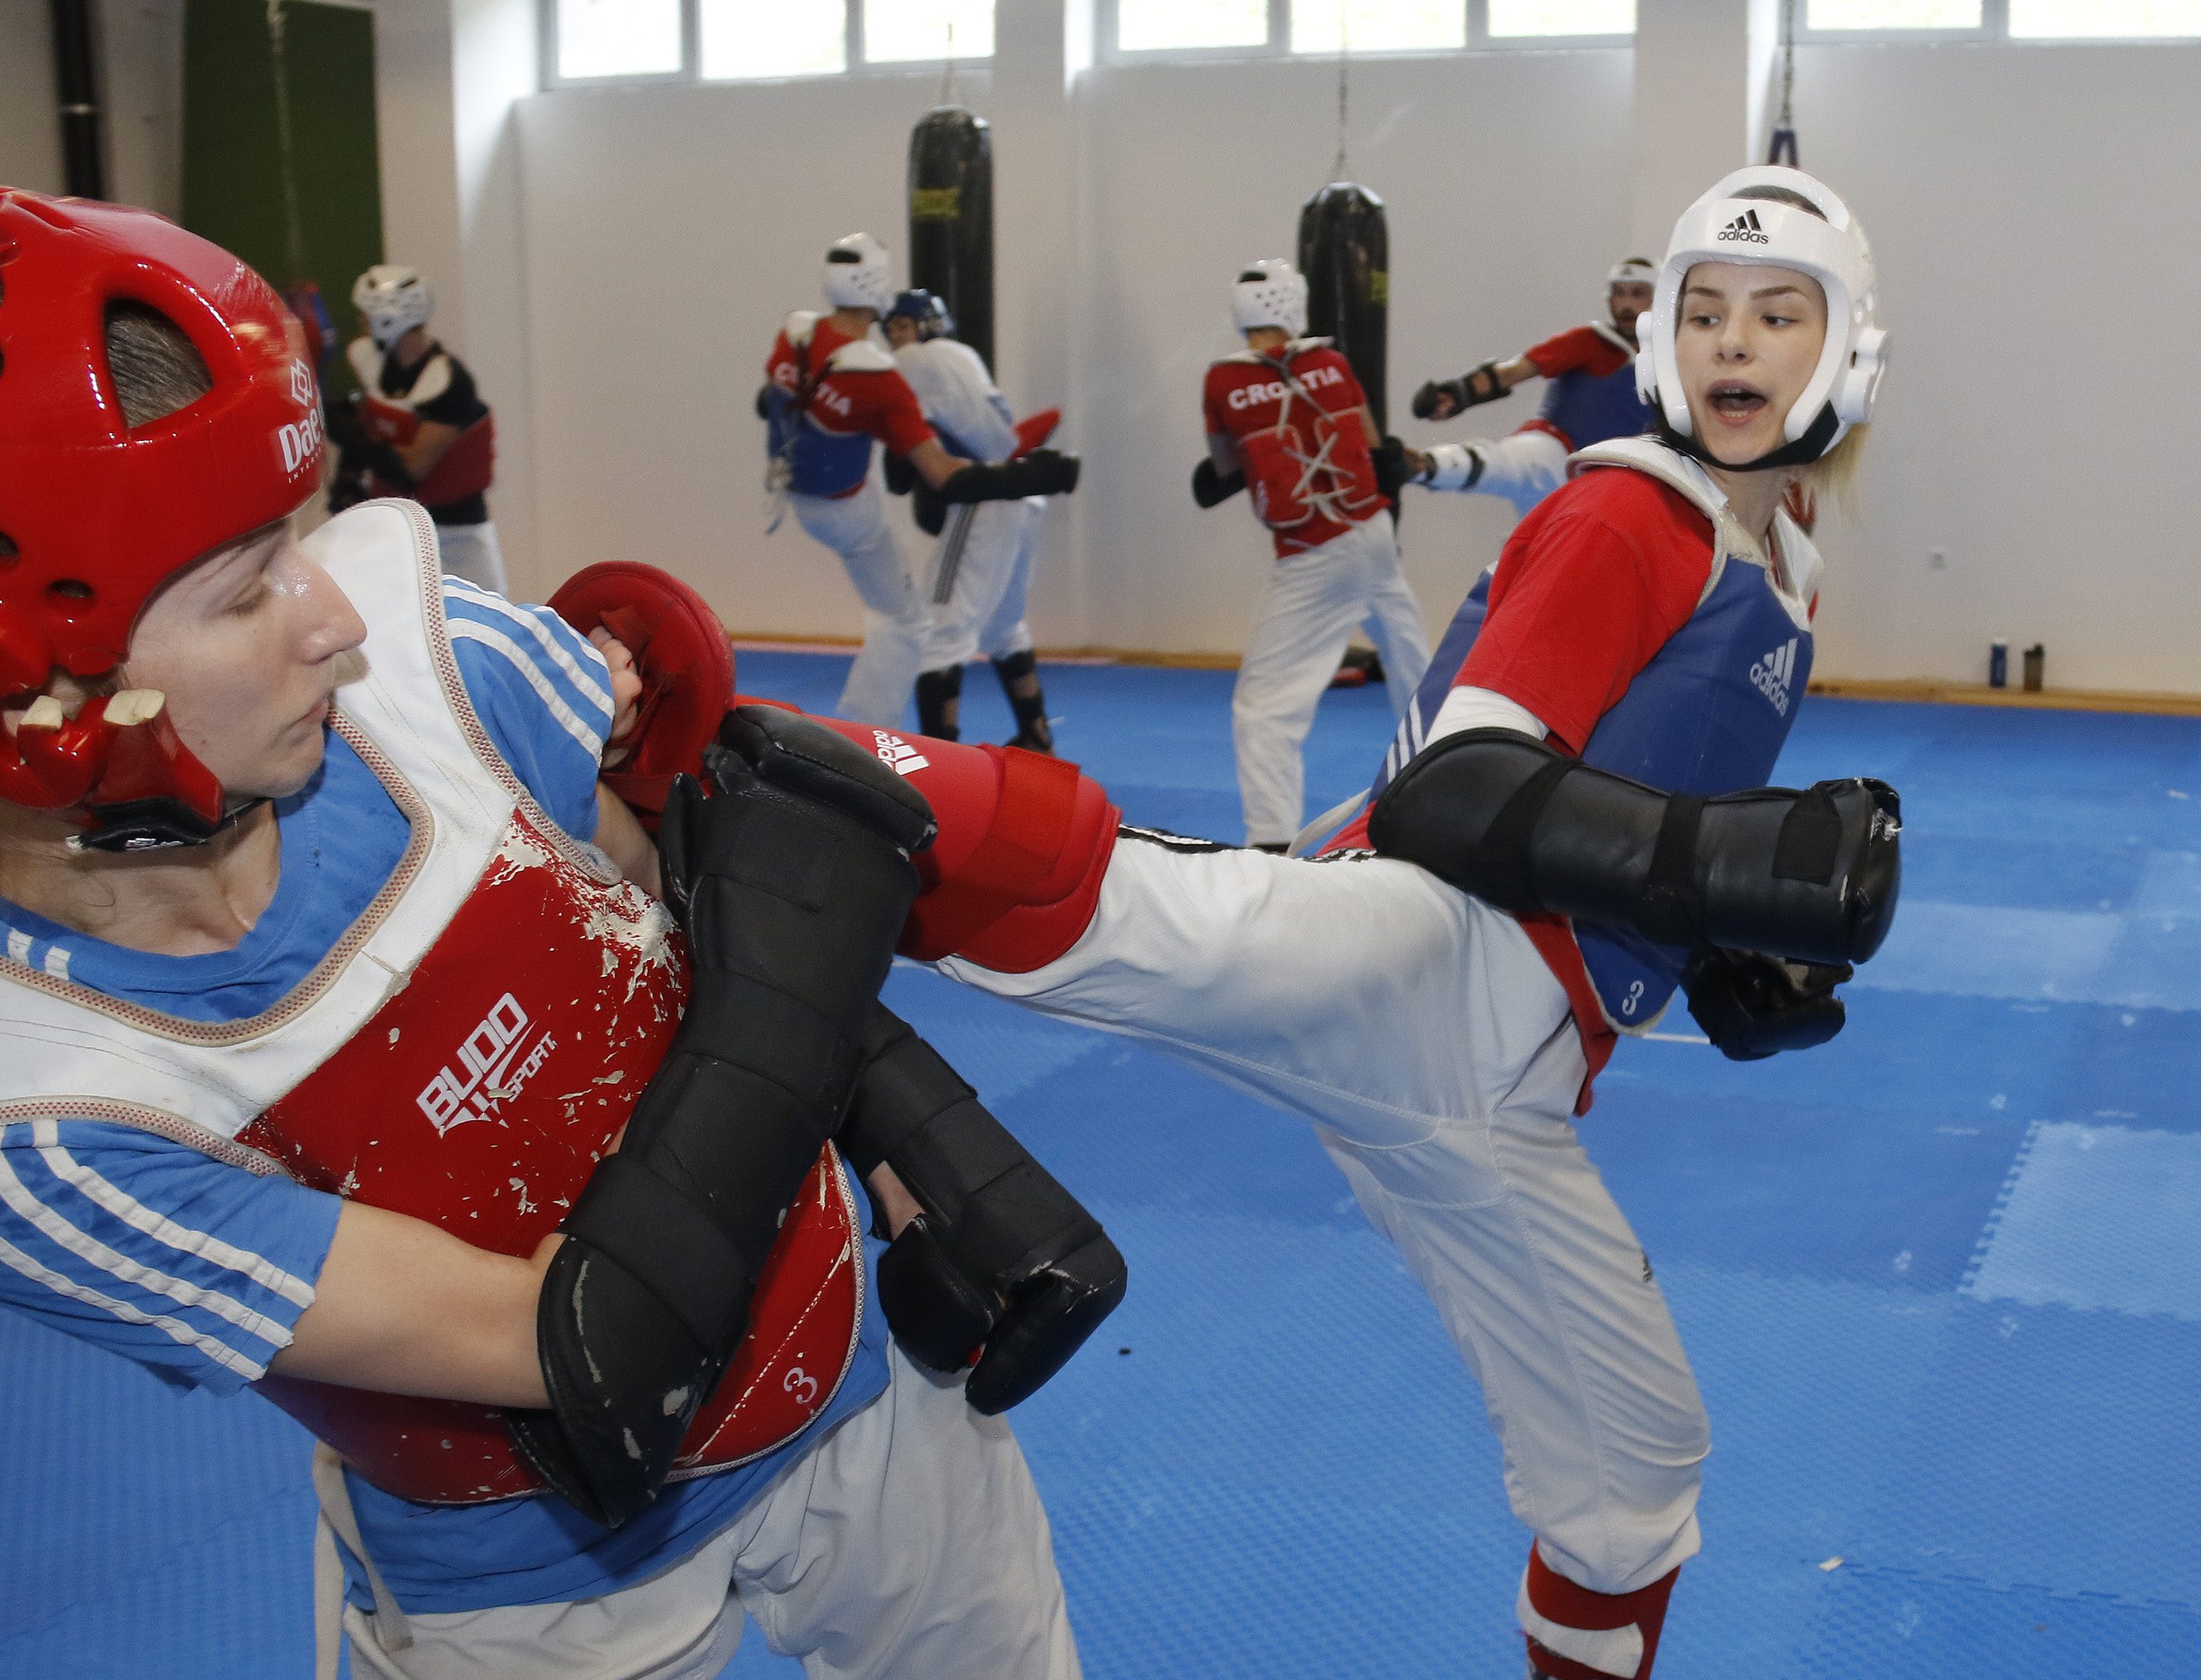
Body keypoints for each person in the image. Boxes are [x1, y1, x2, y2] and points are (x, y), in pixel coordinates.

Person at [604, 165, 1899, 1680]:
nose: (1735, 342)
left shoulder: (1783, 556)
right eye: (1709, 310)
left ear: (1849, 347)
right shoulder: (1637, 516)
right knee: (1153, 902)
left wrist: (1722, 943)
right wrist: (1710, 861)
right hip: (1431, 953)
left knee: (1635, 1470)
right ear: (1663, 337)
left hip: (1511, 1092)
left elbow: (1631, 789)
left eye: (1779, 314)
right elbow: (1462, 788)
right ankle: (697, 744)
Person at [0, 192, 1120, 1680]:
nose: (333, 616)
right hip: (536, 1590)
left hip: (868, 1391)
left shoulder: (433, 678)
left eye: (298, 537)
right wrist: (812, 969)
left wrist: (924, 1139)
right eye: (245, 586)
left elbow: (697, 927)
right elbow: (589, 1344)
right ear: (46, 705)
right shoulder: (55, 1113)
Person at [760, 237, 1077, 728]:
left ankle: (1033, 736)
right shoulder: (885, 377)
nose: (899, 333)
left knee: (996, 626)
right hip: (852, 511)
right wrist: (1031, 474)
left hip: (794, 495)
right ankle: (866, 739)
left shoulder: (794, 335)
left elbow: (772, 400)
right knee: (914, 624)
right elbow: (943, 473)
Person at [1193, 258, 1431, 851]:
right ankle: (1449, 795)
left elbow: (1223, 466)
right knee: (1417, 675)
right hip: (1373, 533)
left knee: (1264, 706)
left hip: (1312, 552)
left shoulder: (1223, 380)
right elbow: (1375, 450)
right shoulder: (1331, 363)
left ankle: (1270, 844)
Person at [878, 289, 1061, 754]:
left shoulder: (915, 361)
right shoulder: (962, 356)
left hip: (985, 496)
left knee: (939, 629)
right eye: (891, 329)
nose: (894, 337)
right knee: (1004, 626)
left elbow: (901, 467)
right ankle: (1036, 733)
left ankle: (940, 759)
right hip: (1024, 494)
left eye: (901, 326)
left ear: (924, 326)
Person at [1399, 257, 1661, 521]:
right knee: (1513, 465)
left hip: (1608, 491)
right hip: (1557, 451)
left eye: (1638, 293)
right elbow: (1513, 372)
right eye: (1618, 294)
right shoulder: (1588, 342)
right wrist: (1459, 394)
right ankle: (1426, 466)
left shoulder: (1676, 361)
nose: (1625, 305)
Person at [328, 265, 507, 594]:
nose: (362, 324)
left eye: (366, 316)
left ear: (388, 318)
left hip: (457, 535)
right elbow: (376, 423)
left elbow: (412, 468)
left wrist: (350, 436)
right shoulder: (372, 363)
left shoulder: (447, 382)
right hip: (397, 528)